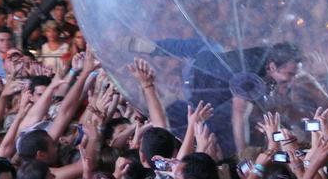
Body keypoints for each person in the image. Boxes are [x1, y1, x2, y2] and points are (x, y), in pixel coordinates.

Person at [121, 37, 301, 155]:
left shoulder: (267, 54)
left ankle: (155, 47)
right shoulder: (251, 77)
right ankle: (172, 99)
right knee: (211, 119)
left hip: (207, 58)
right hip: (199, 80)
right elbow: (239, 112)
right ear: (272, 67)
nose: (291, 79)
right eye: (290, 74)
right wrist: (242, 152)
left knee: (209, 45)